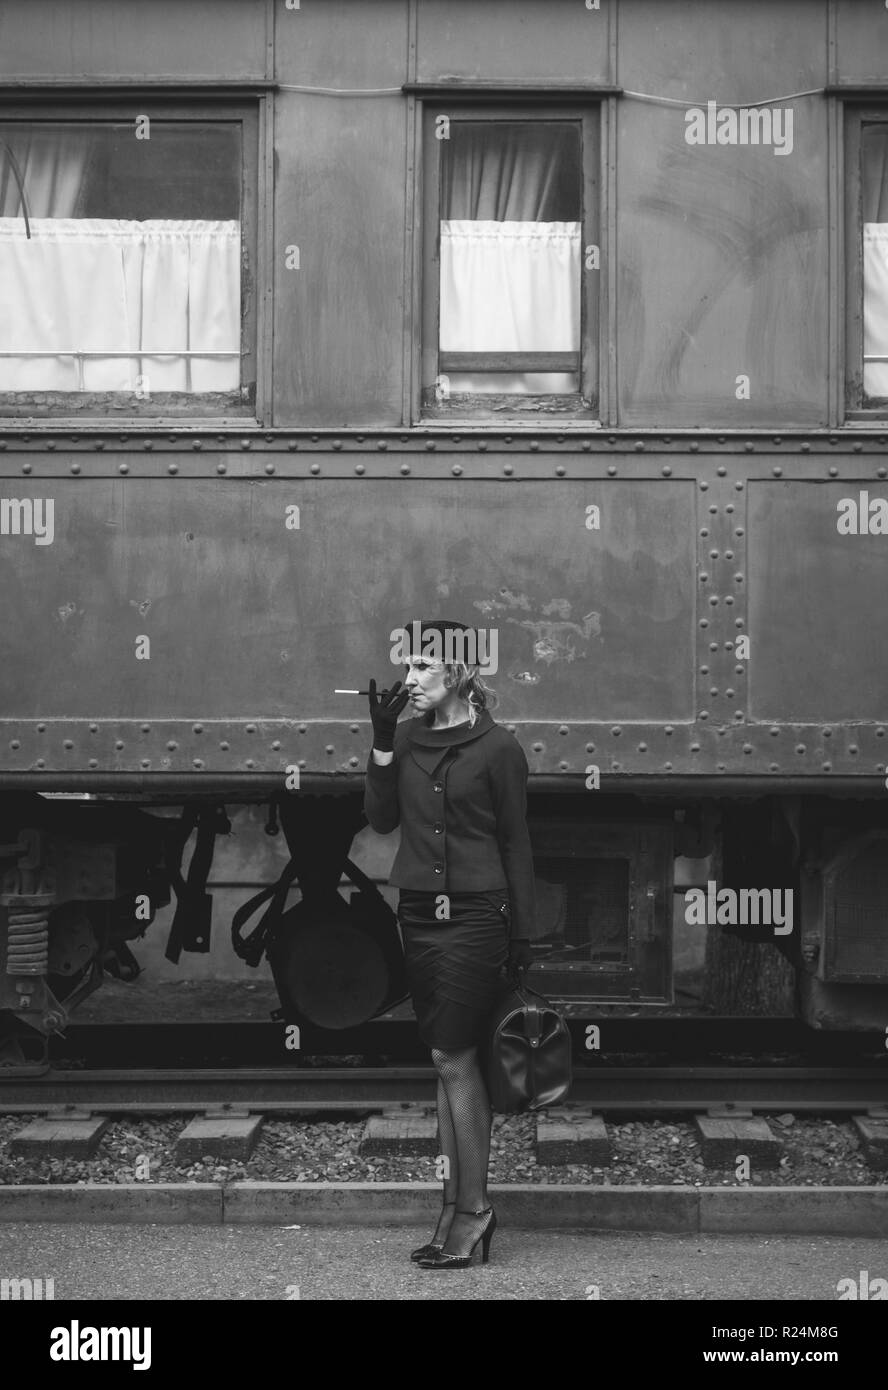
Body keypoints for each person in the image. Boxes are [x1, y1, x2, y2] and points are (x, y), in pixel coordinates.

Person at [363, 619, 535, 1269]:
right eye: (407, 665)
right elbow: (380, 819)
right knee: (445, 1058)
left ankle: (474, 1209)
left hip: (474, 918)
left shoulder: (499, 749)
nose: (409, 680)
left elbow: (516, 843)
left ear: (460, 674)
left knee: (452, 1056)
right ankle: (453, 1205)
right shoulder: (404, 740)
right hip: (418, 915)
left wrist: (522, 932)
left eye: (425, 667)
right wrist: (381, 746)